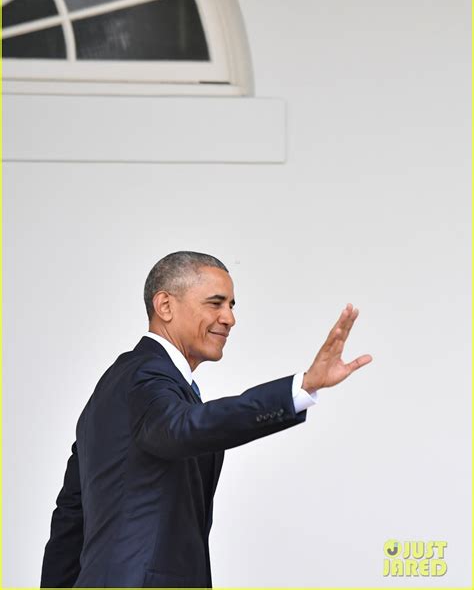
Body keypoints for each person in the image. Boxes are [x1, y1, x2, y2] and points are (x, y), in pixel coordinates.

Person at [40, 251, 372, 588]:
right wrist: (300, 388)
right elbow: (184, 427)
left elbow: (71, 518)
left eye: (231, 305)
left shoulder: (118, 387)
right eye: (215, 303)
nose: (229, 318)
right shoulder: (145, 377)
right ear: (165, 306)